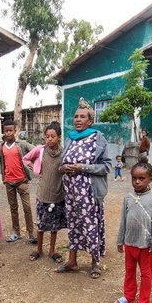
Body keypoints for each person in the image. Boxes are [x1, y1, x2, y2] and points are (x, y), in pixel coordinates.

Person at [56, 98, 111, 279]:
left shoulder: (98, 138)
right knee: (74, 226)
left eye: (82, 117)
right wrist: (63, 169)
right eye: (76, 116)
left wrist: (83, 168)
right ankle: (72, 261)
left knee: (90, 225)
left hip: (89, 193)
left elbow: (107, 166)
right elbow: (61, 165)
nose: (78, 119)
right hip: (71, 194)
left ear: (90, 120)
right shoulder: (70, 138)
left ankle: (95, 262)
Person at [113, 162, 152, 303]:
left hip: (146, 245)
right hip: (130, 242)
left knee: (146, 274)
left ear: (150, 179)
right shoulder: (128, 198)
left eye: (142, 178)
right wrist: (120, 240)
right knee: (129, 271)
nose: (137, 182)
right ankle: (128, 296)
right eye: (134, 178)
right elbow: (123, 220)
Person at [23, 121, 67, 263]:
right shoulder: (41, 150)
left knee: (54, 226)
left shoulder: (63, 153)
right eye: (47, 136)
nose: (49, 139)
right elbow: (26, 158)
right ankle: (39, 250)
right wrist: (35, 169)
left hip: (58, 194)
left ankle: (52, 250)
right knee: (41, 225)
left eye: (52, 136)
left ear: (59, 137)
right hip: (42, 194)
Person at [0, 119, 36, 244]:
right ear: (3, 131)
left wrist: (32, 165)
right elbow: (1, 162)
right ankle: (16, 232)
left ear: (15, 131)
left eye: (11, 131)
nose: (8, 133)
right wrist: (4, 178)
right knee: (13, 208)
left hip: (22, 181)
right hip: (9, 181)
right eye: (6, 131)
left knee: (27, 207)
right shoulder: (1, 147)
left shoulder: (22, 144)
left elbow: (35, 151)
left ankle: (31, 233)